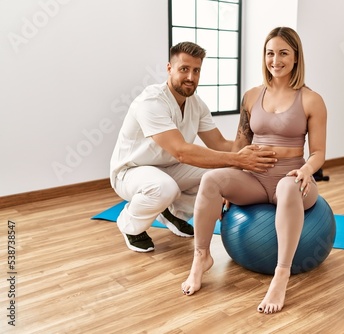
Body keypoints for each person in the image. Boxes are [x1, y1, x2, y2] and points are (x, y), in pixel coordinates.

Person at [181, 27, 327, 314]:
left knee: (287, 186)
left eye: (283, 53)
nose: (276, 60)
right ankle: (201, 258)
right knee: (211, 179)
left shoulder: (311, 100)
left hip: (293, 180)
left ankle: (281, 274)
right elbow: (240, 144)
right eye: (270, 53)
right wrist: (228, 185)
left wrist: (307, 170)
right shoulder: (250, 97)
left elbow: (319, 152)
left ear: (296, 57)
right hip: (255, 180)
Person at [110, 41, 277, 253]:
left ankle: (174, 214)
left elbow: (220, 145)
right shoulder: (151, 102)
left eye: (196, 70)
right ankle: (129, 224)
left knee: (219, 175)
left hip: (168, 168)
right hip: (131, 171)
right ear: (169, 69)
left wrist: (256, 147)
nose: (191, 77)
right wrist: (238, 160)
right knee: (164, 188)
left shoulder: (196, 104)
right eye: (184, 69)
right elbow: (181, 151)